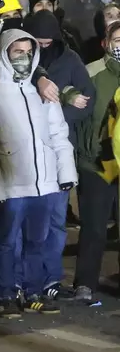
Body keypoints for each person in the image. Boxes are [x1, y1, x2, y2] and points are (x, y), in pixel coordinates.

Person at [0, 29, 77, 318]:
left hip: (44, 186)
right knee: (6, 242)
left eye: (28, 52)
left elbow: (58, 136)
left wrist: (64, 174)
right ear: (5, 54)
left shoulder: (42, 93)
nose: (23, 57)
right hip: (10, 187)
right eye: (17, 51)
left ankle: (33, 292)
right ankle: (5, 294)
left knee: (37, 242)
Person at [24, 11, 97, 301]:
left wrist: (54, 117)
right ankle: (21, 280)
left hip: (58, 153)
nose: (42, 48)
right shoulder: (17, 57)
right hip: (25, 152)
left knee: (55, 220)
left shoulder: (70, 61)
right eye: (36, 43)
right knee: (25, 221)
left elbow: (86, 101)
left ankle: (51, 278)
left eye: (46, 42)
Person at [73, 21, 120, 301]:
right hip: (97, 163)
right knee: (94, 226)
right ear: (105, 42)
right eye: (117, 38)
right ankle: (85, 283)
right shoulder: (91, 72)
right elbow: (78, 118)